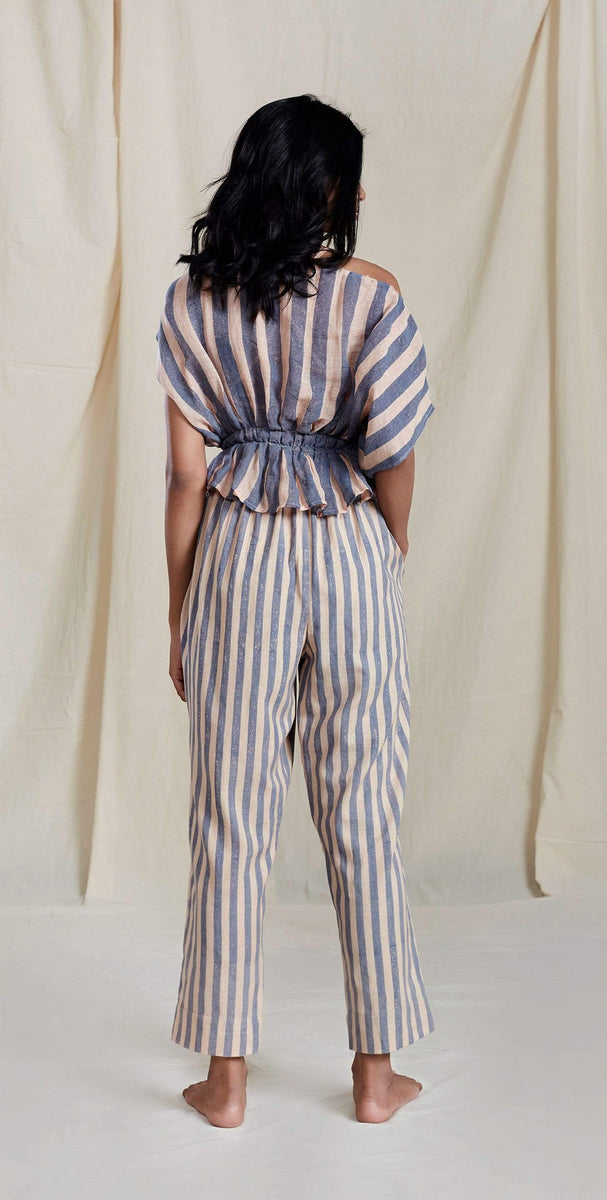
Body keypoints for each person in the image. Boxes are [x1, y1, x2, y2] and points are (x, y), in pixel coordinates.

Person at [156, 94, 436, 1127]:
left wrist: (179, 612)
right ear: (332, 192)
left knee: (230, 815)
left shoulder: (192, 303)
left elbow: (185, 476)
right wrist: (386, 547)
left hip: (238, 555)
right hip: (349, 545)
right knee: (365, 812)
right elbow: (394, 449)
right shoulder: (375, 294)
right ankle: (374, 1078)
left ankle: (226, 1083)